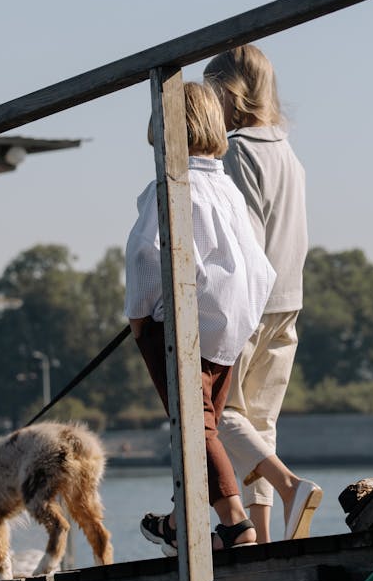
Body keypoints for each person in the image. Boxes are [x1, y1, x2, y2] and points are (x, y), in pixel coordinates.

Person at [124, 81, 275, 555]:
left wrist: (139, 320)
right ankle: (179, 518)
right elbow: (259, 266)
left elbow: (146, 258)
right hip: (232, 326)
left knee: (194, 426)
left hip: (182, 328)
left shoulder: (169, 186)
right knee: (201, 426)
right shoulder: (227, 189)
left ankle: (234, 523)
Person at [204, 44, 321, 542]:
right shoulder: (288, 154)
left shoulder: (239, 153)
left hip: (252, 303)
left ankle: (290, 487)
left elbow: (243, 240)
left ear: (229, 97)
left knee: (218, 412)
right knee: (262, 421)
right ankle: (264, 535)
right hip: (290, 298)